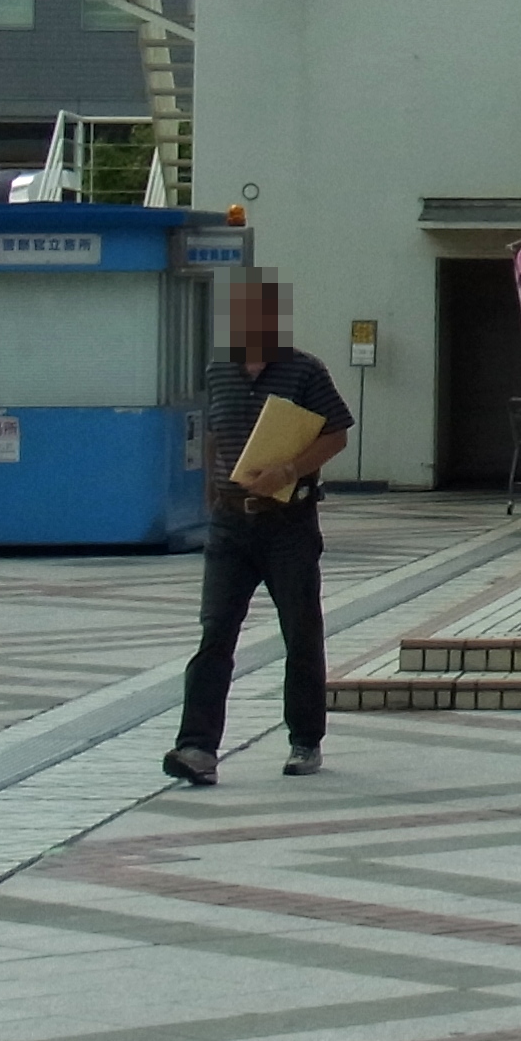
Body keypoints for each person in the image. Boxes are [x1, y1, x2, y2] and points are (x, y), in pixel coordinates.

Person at [164, 279, 353, 787]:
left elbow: (335, 433)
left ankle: (305, 738)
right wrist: (210, 487)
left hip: (287, 521)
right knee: (215, 632)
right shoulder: (219, 370)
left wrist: (289, 471)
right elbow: (211, 432)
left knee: (300, 630)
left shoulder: (304, 370)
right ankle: (197, 746)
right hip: (230, 523)